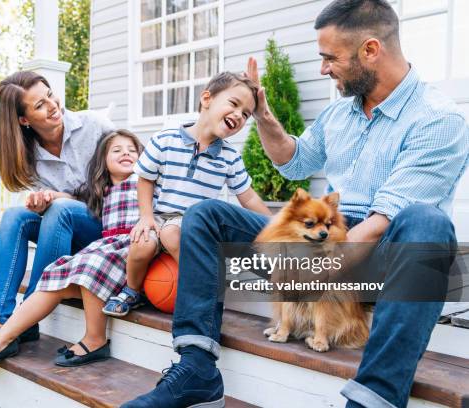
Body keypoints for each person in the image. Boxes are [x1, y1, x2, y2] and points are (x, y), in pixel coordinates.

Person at [122, 0, 469, 407]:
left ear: (370, 50)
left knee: (427, 224)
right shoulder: (340, 114)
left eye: (330, 58)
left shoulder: (437, 118)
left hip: (378, 258)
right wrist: (265, 117)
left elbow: (380, 223)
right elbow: (294, 161)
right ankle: (197, 366)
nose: (323, 68)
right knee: (205, 215)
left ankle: (374, 398)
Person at [0, 71, 115, 362]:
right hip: (66, 236)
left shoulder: (95, 126)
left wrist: (62, 199)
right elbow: (50, 211)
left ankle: (24, 318)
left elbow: (132, 183)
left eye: (50, 95)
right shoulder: (28, 155)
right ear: (24, 120)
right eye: (39, 105)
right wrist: (40, 202)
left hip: (109, 229)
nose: (52, 105)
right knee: (15, 216)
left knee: (60, 209)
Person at [0, 130, 143, 373]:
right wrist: (51, 196)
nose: (126, 154)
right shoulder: (102, 190)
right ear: (104, 161)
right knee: (54, 277)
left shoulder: (145, 182)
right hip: (105, 247)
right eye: (118, 150)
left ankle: (95, 339)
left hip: (132, 248)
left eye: (132, 151)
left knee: (89, 265)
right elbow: (74, 200)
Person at [102, 72, 272, 318]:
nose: (238, 115)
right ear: (206, 99)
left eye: (245, 114)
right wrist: (146, 217)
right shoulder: (164, 140)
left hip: (193, 224)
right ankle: (132, 290)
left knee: (173, 234)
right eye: (234, 104)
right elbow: (145, 180)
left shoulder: (229, 157)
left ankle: (203, 289)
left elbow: (249, 198)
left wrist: (274, 226)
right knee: (141, 244)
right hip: (159, 216)